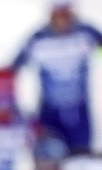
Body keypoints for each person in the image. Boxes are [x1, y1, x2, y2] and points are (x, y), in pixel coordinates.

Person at [9, 1, 102, 153]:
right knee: (49, 155)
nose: (63, 19)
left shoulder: (86, 33)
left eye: (66, 12)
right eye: (58, 13)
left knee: (81, 153)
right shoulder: (39, 40)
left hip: (79, 106)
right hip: (49, 109)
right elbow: (13, 70)